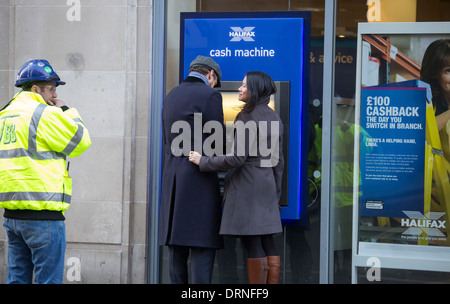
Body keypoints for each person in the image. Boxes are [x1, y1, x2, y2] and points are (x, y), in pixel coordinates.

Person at [0, 59, 91, 284]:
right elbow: (81, 141)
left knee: (16, 279)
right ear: (34, 89)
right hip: (43, 216)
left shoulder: (5, 114)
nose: (54, 94)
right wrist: (66, 110)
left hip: (12, 216)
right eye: (50, 88)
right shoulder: (43, 113)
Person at [189, 71, 284, 284]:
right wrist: (276, 194)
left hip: (248, 187)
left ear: (255, 90)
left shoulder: (246, 117)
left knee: (252, 242)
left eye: (243, 86)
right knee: (267, 240)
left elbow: (236, 159)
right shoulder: (274, 117)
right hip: (266, 186)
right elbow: (279, 162)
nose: (239, 89)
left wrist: (202, 161)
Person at [159, 55, 224, 284]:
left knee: (177, 248)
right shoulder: (210, 95)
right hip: (199, 179)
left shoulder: (171, 94)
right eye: (215, 81)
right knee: (201, 246)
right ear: (211, 75)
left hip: (172, 179)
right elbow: (216, 144)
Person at [421, 39, 450, 163]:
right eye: (448, 70)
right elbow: (422, 132)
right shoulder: (427, 102)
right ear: (434, 73)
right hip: (438, 176)